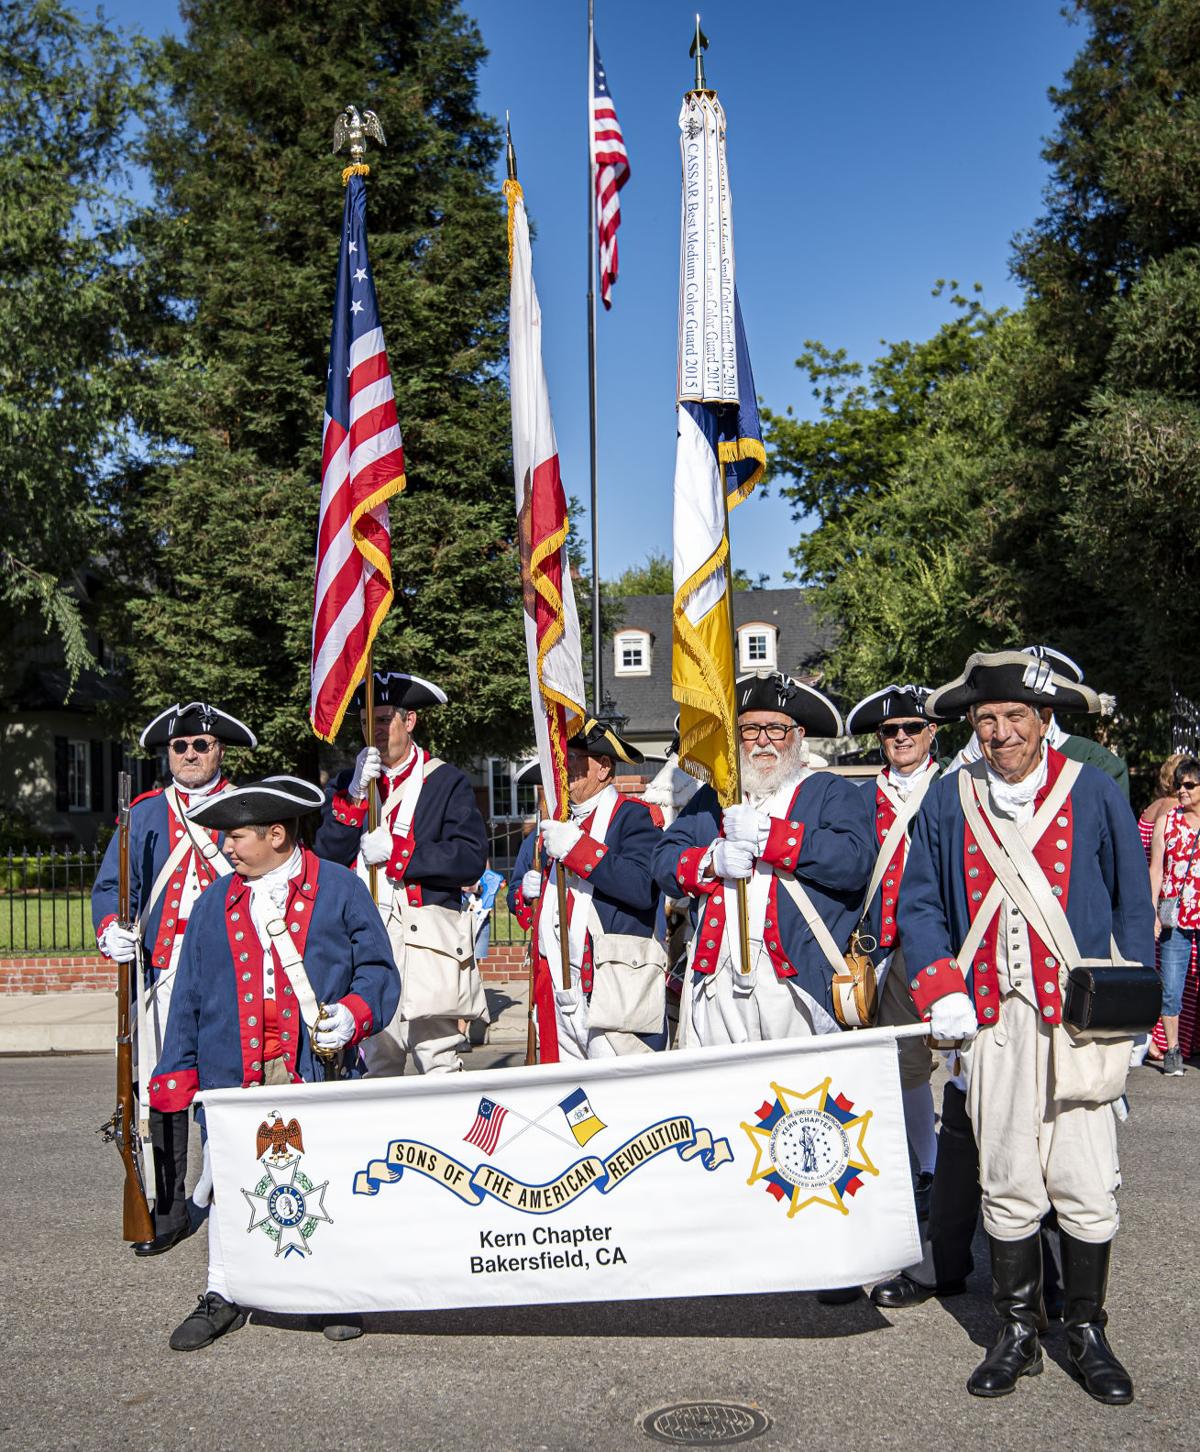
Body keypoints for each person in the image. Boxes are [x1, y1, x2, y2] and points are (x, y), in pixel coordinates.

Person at [900, 650, 1154, 1404]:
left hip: (1081, 1017)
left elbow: (1133, 904)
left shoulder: (1095, 792)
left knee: (1083, 1180)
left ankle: (1086, 1330)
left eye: (1016, 717)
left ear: (1045, 722)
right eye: (987, 720)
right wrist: (941, 984)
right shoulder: (950, 801)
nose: (1001, 733)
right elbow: (920, 905)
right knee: (1007, 1178)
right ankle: (1015, 1333)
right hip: (996, 1019)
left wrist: (1135, 1007)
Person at [152, 775, 400, 1351]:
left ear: (278, 835)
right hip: (231, 1071)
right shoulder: (215, 901)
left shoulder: (339, 889)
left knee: (324, 1182)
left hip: (314, 1067)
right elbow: (188, 995)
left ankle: (331, 1290)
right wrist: (175, 1077)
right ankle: (223, 1292)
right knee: (232, 1185)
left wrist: (354, 1014)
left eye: (237, 837)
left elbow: (380, 972)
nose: (227, 848)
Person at [91, 700, 256, 1257]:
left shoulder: (245, 809)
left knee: (226, 1088)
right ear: (169, 753)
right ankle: (168, 1205)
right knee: (165, 1092)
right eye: (180, 746)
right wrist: (111, 928)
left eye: (200, 745)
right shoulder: (143, 813)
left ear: (219, 751)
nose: (189, 754)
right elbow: (115, 889)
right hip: (164, 974)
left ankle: (232, 1196)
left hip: (233, 973)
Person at [653, 672, 875, 1047]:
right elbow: (663, 861)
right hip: (717, 980)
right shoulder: (713, 798)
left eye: (776, 729)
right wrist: (710, 862)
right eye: (750, 730)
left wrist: (771, 837)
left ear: (798, 735)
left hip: (795, 981)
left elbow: (853, 861)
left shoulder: (828, 791)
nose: (762, 742)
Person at [313, 671, 488, 1075]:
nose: (371, 730)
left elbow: (468, 857)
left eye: (382, 719)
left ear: (409, 722)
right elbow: (327, 855)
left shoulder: (446, 781)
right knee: (378, 1063)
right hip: (367, 938)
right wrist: (354, 795)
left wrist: (400, 853)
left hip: (428, 941)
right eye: (363, 722)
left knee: (439, 1060)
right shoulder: (349, 784)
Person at [510, 719, 667, 1059]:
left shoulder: (634, 818)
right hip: (554, 985)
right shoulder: (556, 827)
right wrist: (527, 894)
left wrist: (578, 850)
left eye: (573, 760)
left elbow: (642, 888)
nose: (562, 771)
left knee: (622, 1098)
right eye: (558, 761)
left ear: (603, 767)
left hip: (610, 987)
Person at [844, 685, 942, 1223]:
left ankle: (950, 1163)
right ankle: (918, 1167)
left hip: (943, 942)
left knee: (964, 1060)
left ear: (932, 733)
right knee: (897, 1064)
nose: (901, 738)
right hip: (879, 945)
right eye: (890, 731)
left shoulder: (953, 788)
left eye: (912, 728)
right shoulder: (860, 798)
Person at [949, 645, 1130, 799]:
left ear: (1044, 717)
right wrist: (969, 755)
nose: (1002, 733)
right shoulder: (985, 750)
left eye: (1015, 715)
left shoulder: (1094, 761)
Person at [1149, 755, 1200, 1077]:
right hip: (1175, 916)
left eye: (1189, 785)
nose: (1181, 790)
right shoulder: (1166, 822)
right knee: (1171, 986)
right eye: (1178, 784)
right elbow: (1155, 869)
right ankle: (1173, 1050)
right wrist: (1153, 911)